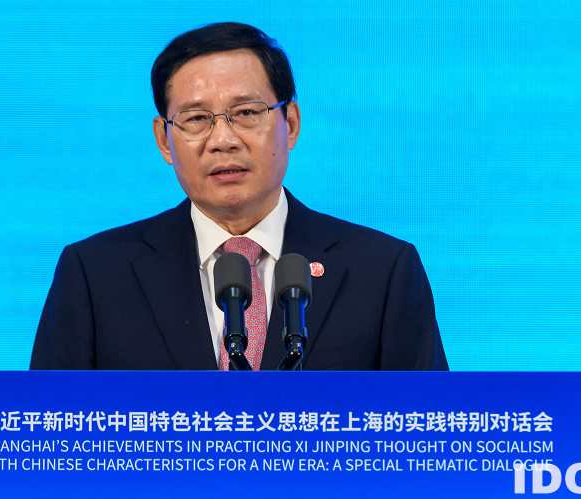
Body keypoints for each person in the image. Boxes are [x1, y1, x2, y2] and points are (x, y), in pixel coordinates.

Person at [30, 22, 448, 371]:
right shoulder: (95, 275)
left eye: (246, 113)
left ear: (291, 123)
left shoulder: (383, 271)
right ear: (163, 140)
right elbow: (47, 429)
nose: (222, 140)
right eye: (196, 118)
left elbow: (429, 429)